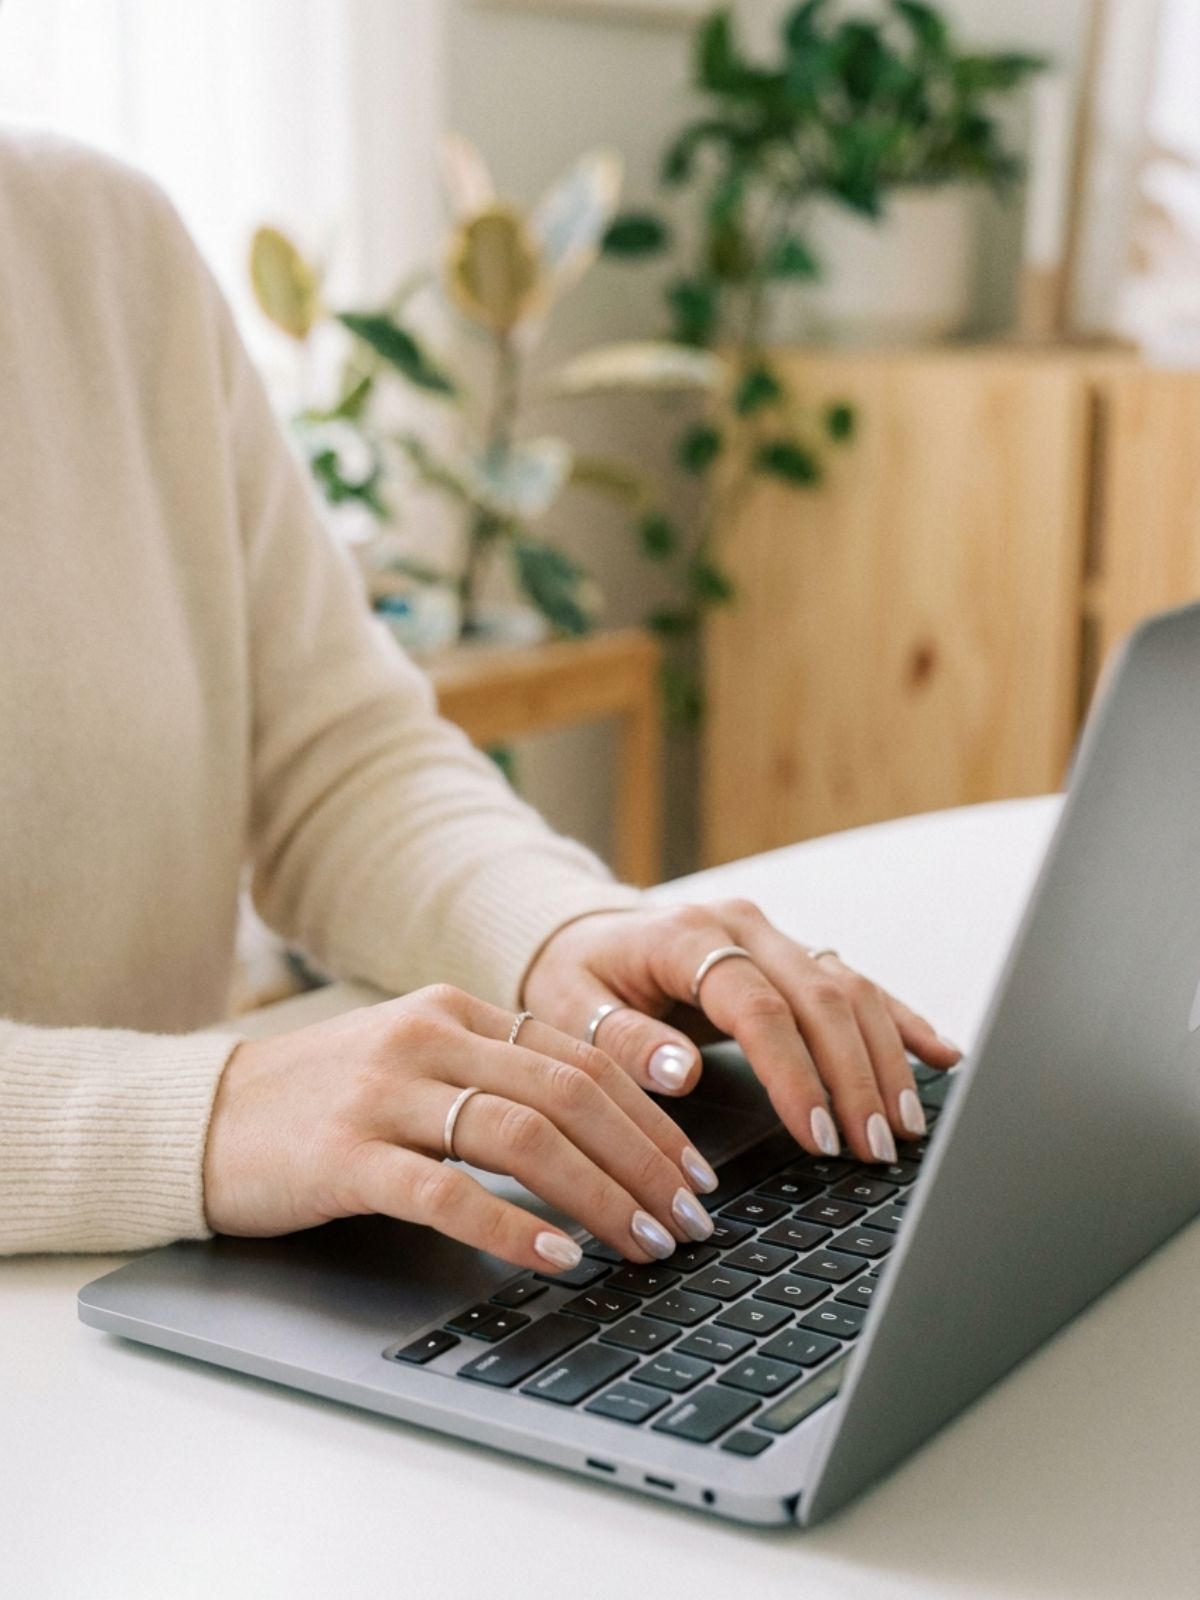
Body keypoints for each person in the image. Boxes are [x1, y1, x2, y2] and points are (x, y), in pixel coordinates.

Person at [0, 131, 960, 1269]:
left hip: (145, 1289)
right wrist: (205, 1113)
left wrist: (561, 933)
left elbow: (338, 762)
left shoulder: (101, 239)